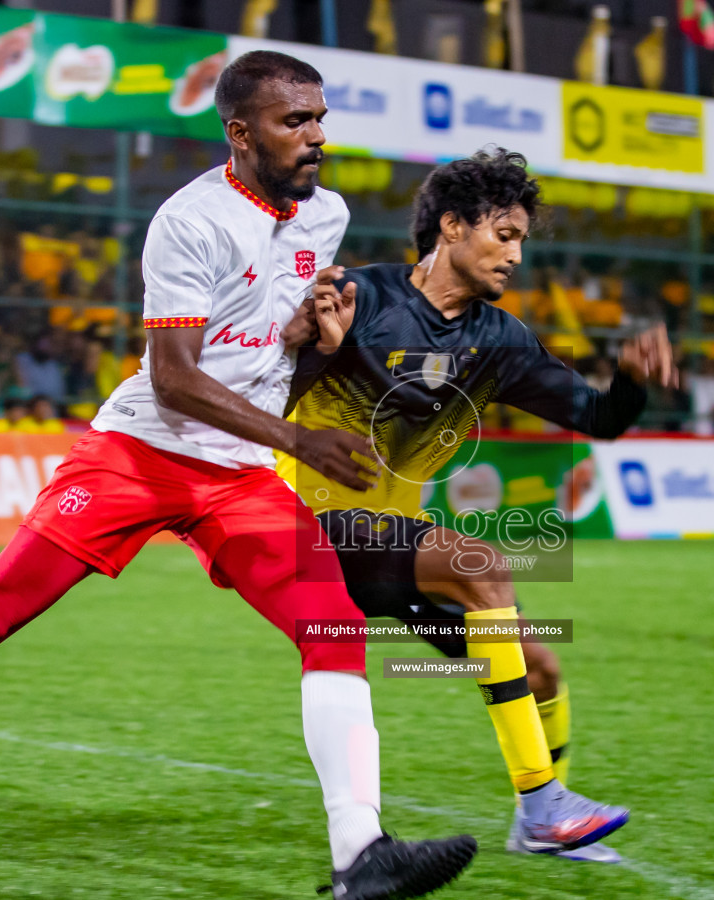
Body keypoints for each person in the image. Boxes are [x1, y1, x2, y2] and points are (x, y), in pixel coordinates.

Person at [0, 50, 475, 900]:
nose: (317, 136)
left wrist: (318, 341)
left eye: (319, 118)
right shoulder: (189, 220)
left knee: (334, 626)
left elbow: (270, 349)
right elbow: (173, 377)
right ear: (240, 133)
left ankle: (362, 855)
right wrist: (295, 438)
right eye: (295, 122)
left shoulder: (328, 216)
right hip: (140, 454)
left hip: (237, 472)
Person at [283, 149, 677, 861]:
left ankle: (544, 821)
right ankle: (543, 804)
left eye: (522, 239)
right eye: (505, 233)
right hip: (301, 528)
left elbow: (600, 419)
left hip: (386, 542)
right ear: (452, 227)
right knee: (482, 562)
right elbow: (268, 387)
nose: (516, 254)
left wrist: (629, 381)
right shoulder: (354, 296)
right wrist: (318, 350)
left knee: (537, 667)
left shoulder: (498, 340)